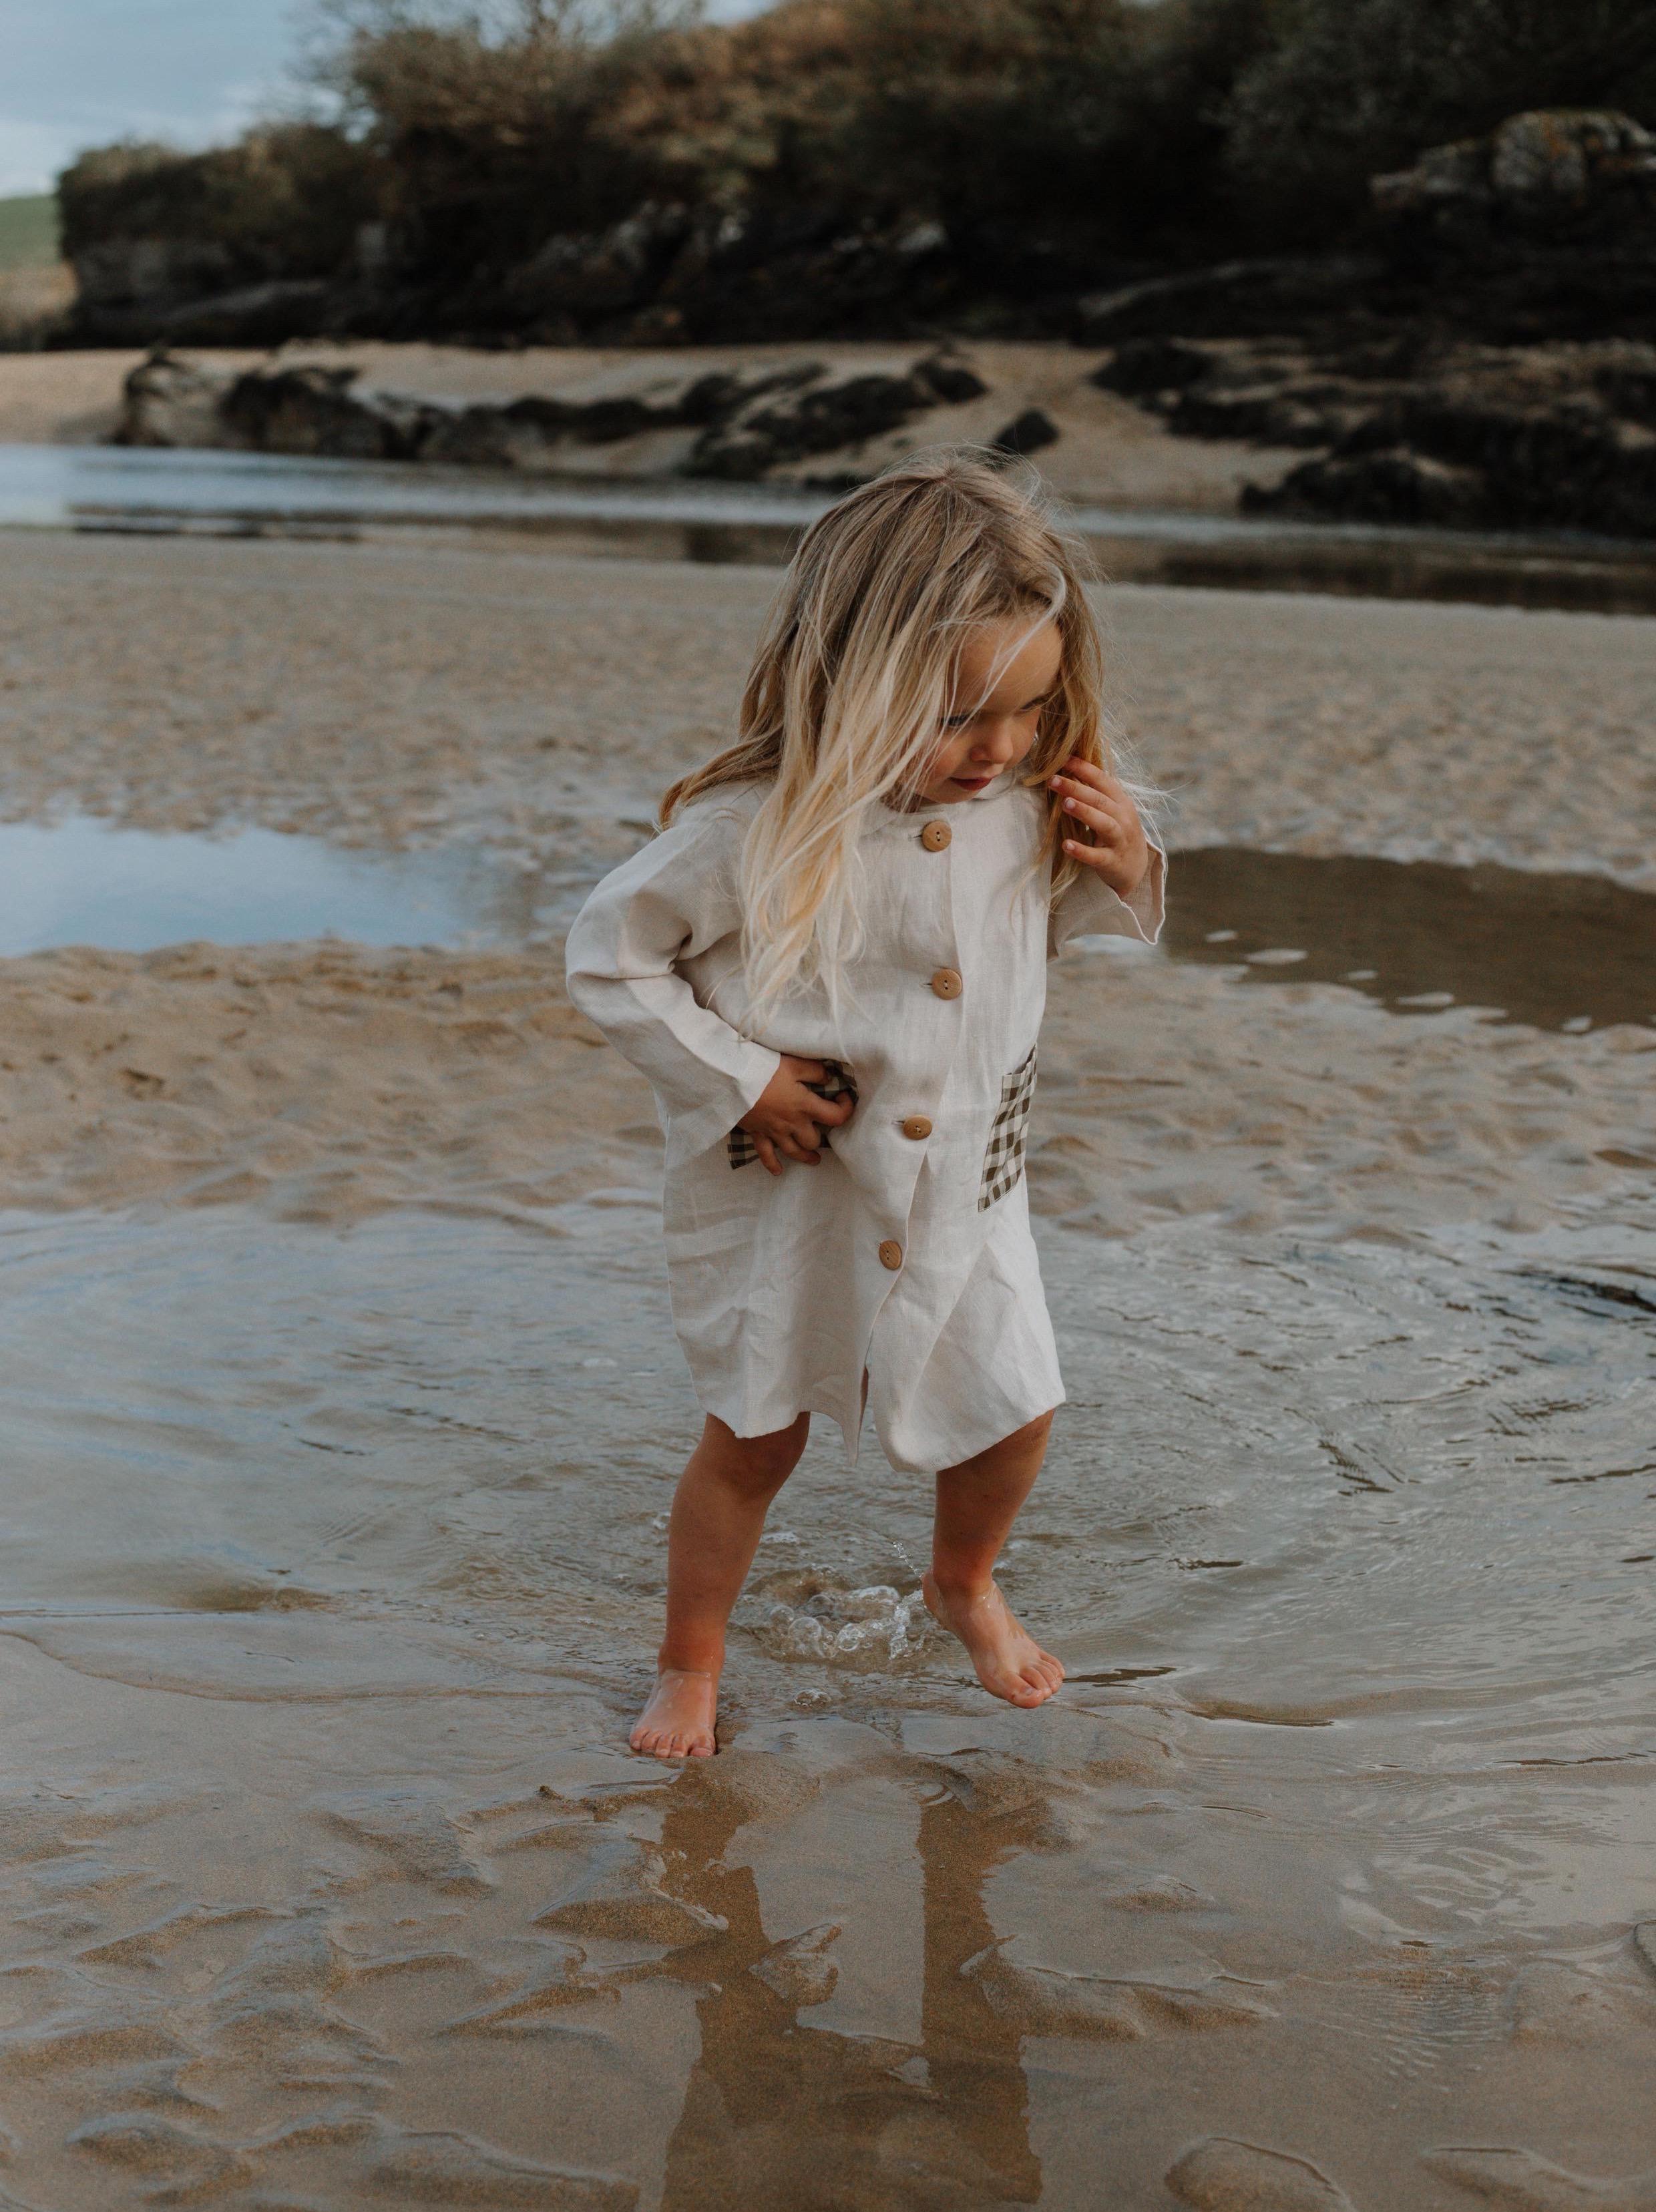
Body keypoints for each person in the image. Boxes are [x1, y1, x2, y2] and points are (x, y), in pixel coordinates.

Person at [565, 450, 1164, 1760]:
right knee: (753, 1438)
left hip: (967, 1182)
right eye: (958, 715)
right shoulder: (755, 829)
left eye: (1029, 710)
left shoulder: (1021, 808)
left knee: (1017, 1406)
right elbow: (607, 954)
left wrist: (1128, 865)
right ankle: (689, 1663)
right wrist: (747, 1079)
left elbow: (1042, 929)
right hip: (794, 1183)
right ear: (855, 676)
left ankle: (964, 1581)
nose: (996, 749)